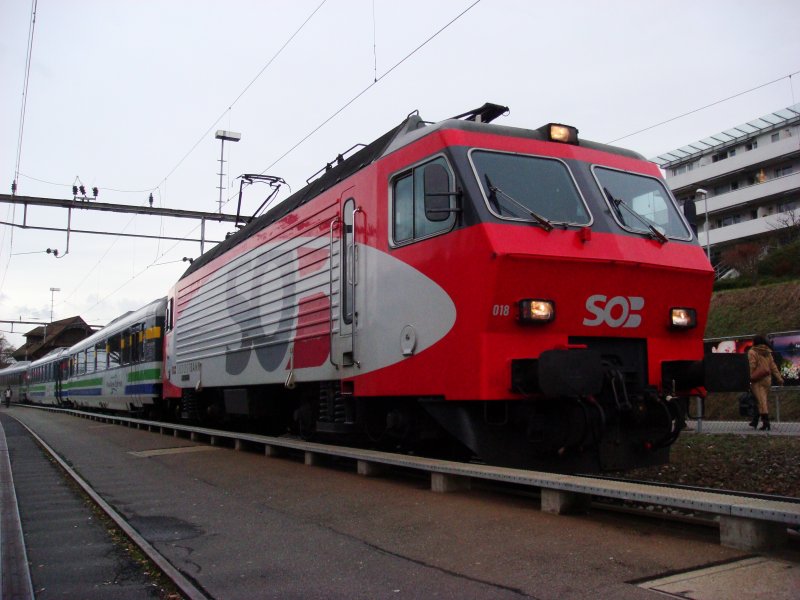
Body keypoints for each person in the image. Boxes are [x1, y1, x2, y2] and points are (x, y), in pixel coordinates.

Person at [748, 335, 784, 431]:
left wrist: (750, 377)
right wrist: (779, 378)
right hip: (767, 380)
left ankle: (766, 422)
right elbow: (773, 366)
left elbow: (752, 365)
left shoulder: (752, 352)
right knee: (762, 400)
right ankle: (758, 421)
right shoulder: (767, 352)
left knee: (761, 401)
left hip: (757, 380)